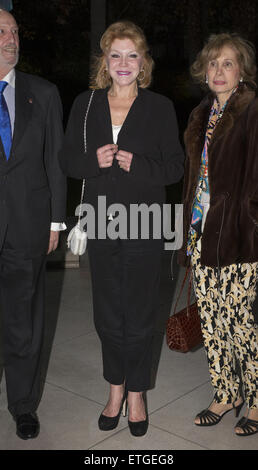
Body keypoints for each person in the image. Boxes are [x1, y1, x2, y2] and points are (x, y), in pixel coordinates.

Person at [59, 20, 184, 437]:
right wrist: (93, 160)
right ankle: (115, 389)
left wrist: (140, 164)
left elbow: (175, 167)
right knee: (108, 313)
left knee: (141, 313)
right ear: (105, 61)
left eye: (132, 55)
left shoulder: (160, 107)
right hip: (100, 221)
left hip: (145, 223)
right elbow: (67, 161)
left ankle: (138, 394)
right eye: (116, 54)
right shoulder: (86, 104)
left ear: (143, 61)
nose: (124, 63)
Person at [178, 33, 258, 436]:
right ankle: (227, 392)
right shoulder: (200, 114)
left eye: (228, 63)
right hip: (200, 229)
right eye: (213, 63)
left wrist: (250, 219)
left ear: (241, 70)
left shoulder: (253, 110)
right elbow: (194, 178)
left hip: (241, 234)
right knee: (212, 318)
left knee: (241, 319)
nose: (219, 70)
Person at [0, 9, 66, 439]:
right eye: (2, 31)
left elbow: (56, 162)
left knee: (24, 318)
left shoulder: (42, 93)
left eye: (15, 31)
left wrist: (57, 222)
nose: (11, 38)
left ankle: (23, 405)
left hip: (27, 224)